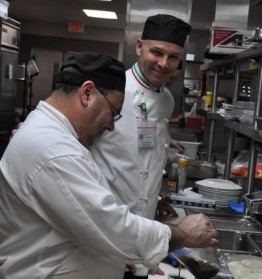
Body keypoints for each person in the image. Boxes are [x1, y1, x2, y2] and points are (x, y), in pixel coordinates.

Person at [0, 52, 218, 279]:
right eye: (113, 112)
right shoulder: (52, 150)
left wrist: (114, 257)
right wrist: (182, 234)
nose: (111, 126)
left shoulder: (55, 136)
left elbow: (81, 223)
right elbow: (113, 229)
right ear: (87, 93)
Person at [89, 14, 191, 278]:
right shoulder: (110, 92)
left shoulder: (167, 99)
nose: (163, 63)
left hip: (142, 227)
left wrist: (155, 200)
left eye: (173, 57)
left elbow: (146, 156)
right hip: (103, 225)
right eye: (156, 52)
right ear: (138, 47)